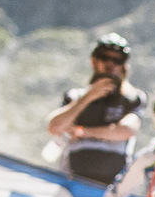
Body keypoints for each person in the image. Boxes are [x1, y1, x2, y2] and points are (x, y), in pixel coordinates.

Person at [45, 33, 146, 185]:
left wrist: (82, 131)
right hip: (72, 180)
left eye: (117, 60)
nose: (110, 64)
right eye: (105, 57)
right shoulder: (75, 96)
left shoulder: (133, 98)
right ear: (94, 61)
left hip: (112, 185)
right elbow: (54, 127)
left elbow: (126, 130)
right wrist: (89, 96)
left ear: (124, 65)